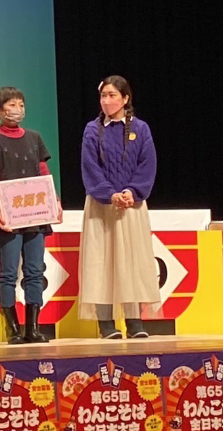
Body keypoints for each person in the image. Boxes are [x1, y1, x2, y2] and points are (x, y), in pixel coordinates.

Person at [0, 87, 62, 344]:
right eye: (12, 105)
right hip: (8, 215)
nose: (18, 110)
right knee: (8, 272)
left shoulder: (34, 138)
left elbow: (44, 172)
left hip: (35, 214)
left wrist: (55, 201)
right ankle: (13, 329)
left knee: (35, 270)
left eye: (21, 105)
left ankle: (32, 328)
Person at [79, 76, 159, 339]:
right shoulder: (92, 130)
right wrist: (109, 194)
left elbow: (147, 165)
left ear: (125, 99)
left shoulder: (141, 129)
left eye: (112, 95)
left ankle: (135, 323)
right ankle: (106, 325)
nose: (106, 101)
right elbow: (89, 167)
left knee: (131, 262)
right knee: (100, 263)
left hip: (131, 207)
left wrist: (131, 192)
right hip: (101, 206)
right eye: (103, 96)